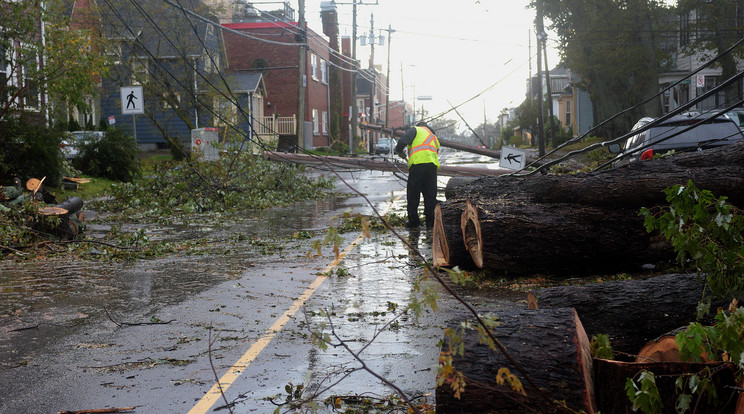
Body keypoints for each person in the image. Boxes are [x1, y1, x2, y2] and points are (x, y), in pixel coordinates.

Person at [395, 121, 440, 228]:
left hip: (418, 165)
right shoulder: (433, 137)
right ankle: (430, 222)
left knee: (413, 194)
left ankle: (414, 222)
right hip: (432, 166)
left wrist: (399, 151)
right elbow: (435, 150)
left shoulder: (416, 130)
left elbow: (402, 141)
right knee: (430, 194)